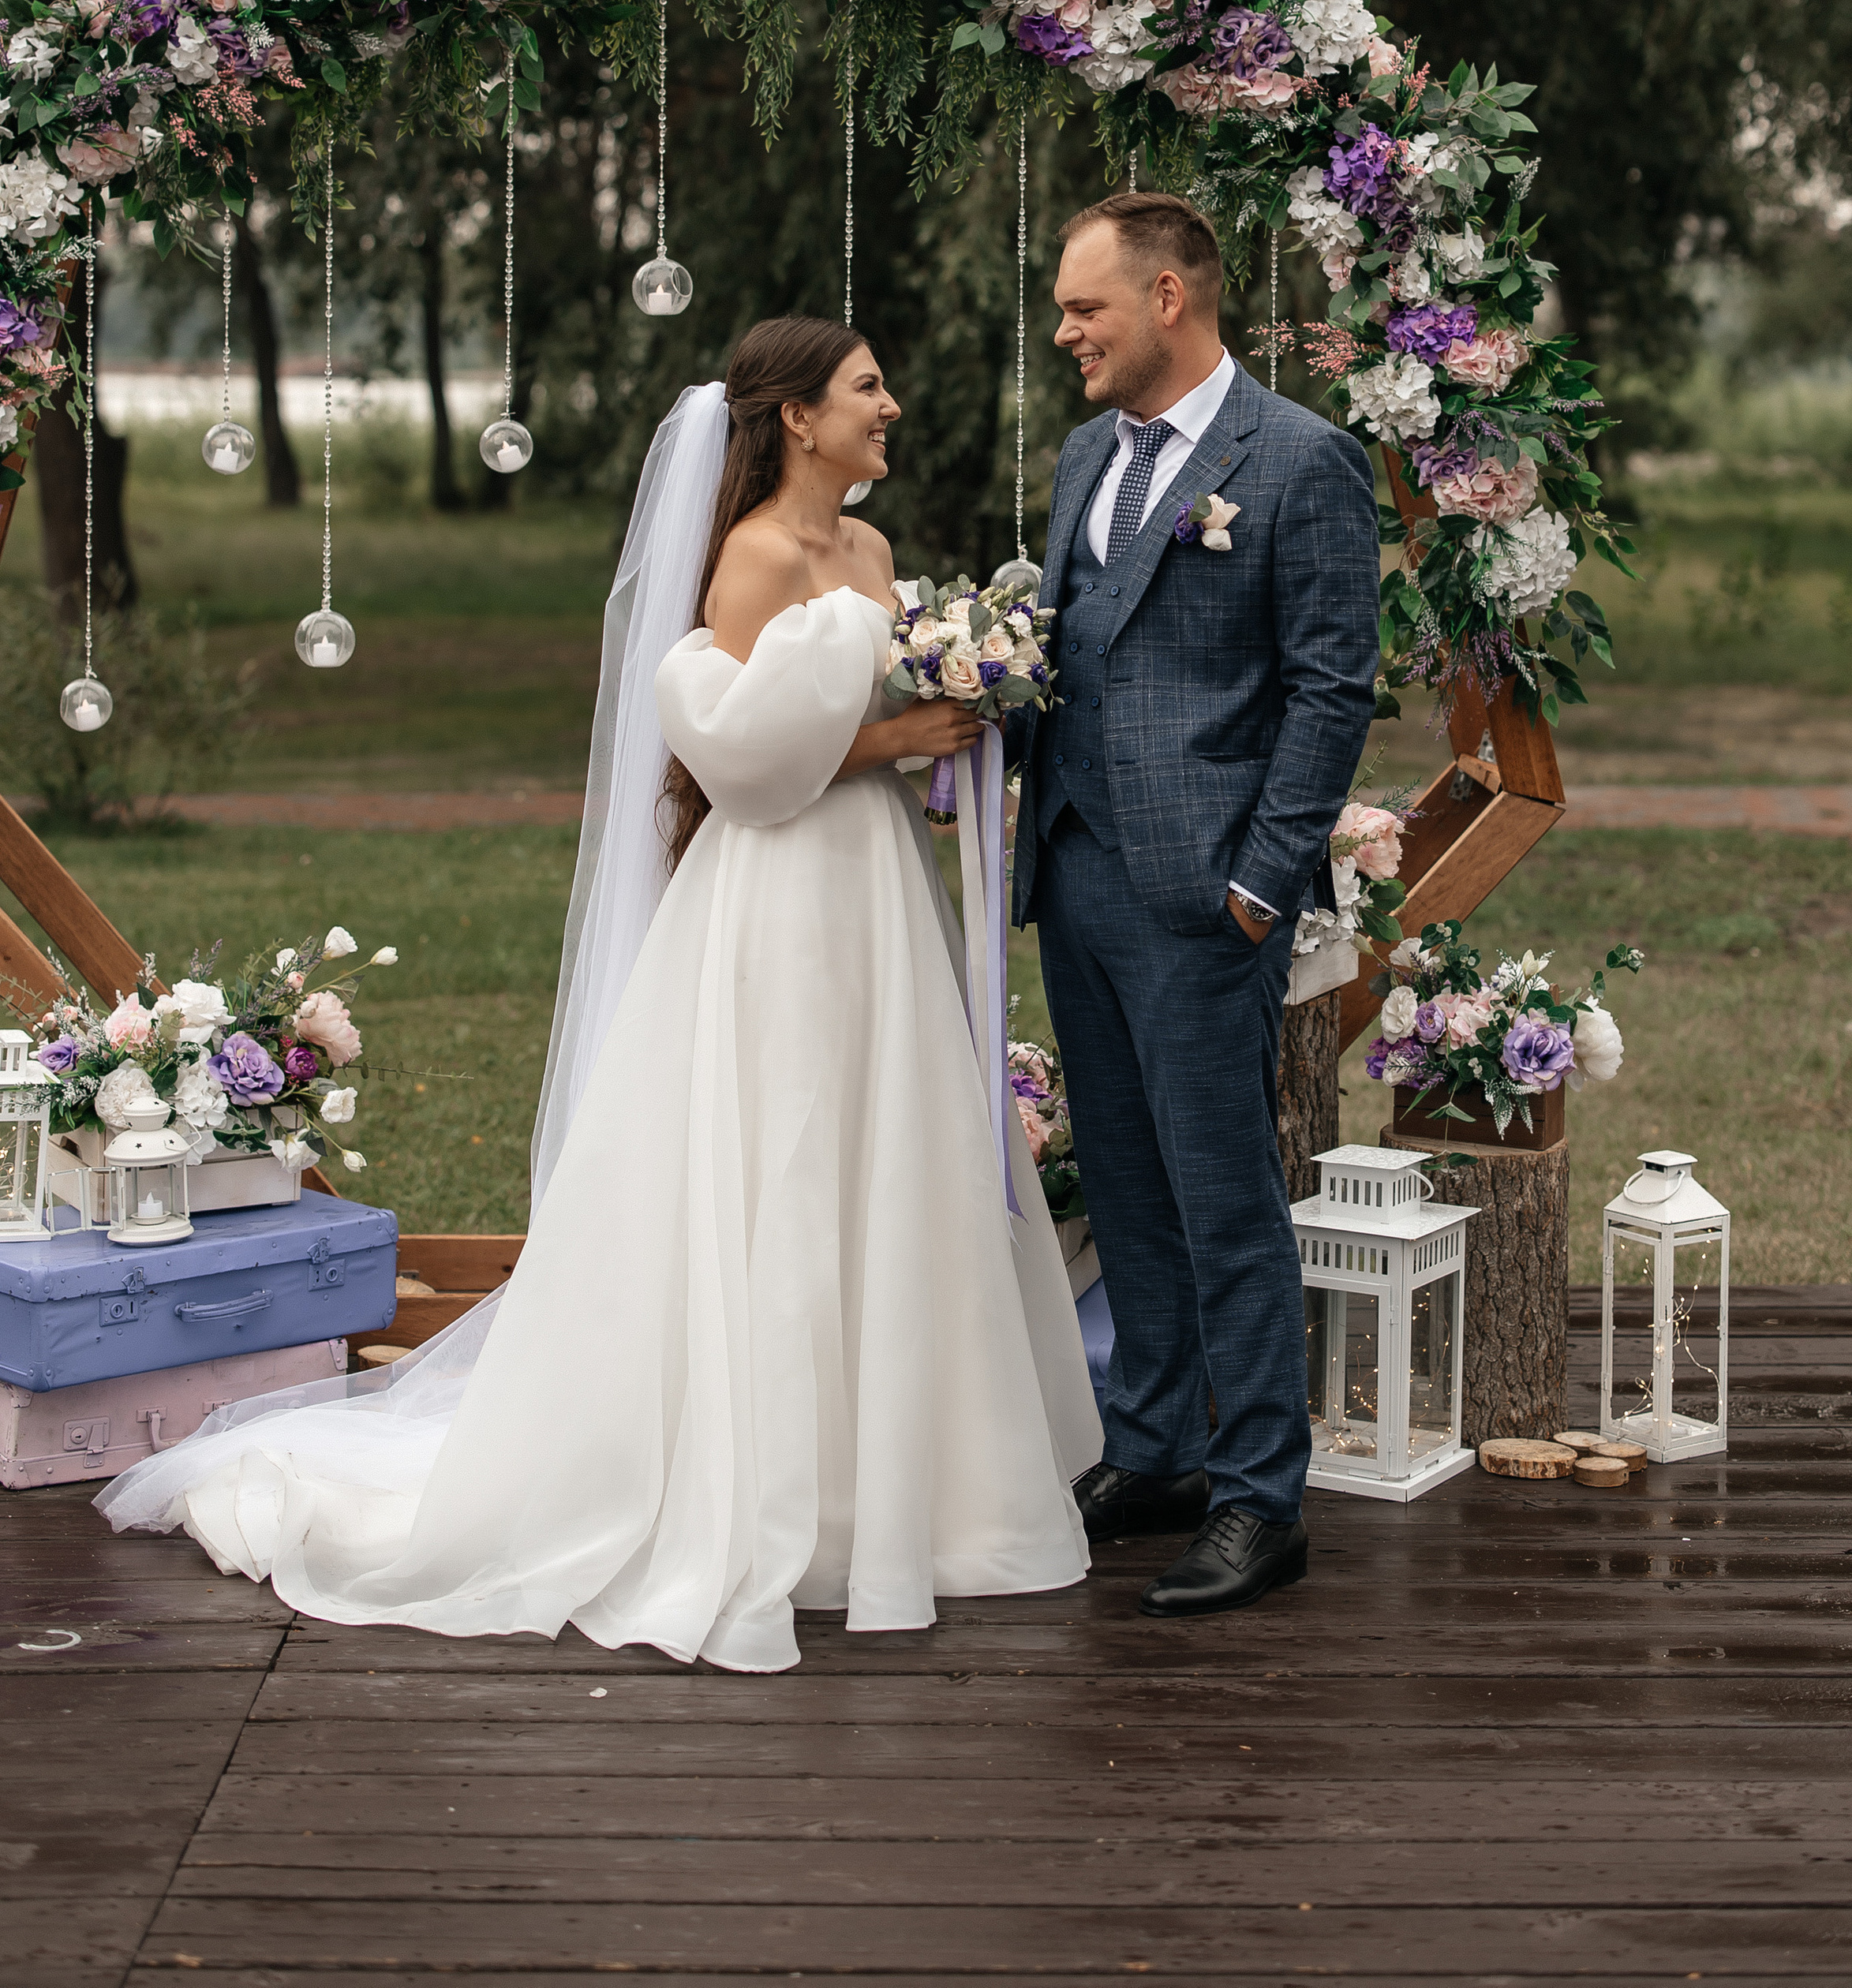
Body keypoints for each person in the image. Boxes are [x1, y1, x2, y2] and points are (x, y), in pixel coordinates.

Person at [98, 317, 1098, 1672]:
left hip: (871, 891)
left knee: (883, 1149)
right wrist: (895, 735)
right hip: (780, 896)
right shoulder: (748, 558)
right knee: (785, 1153)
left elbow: (843, 729)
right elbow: (749, 761)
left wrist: (947, 739)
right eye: (868, 388)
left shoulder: (870, 554)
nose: (894, 407)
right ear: (796, 417)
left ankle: (904, 1487)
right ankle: (766, 1490)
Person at [1011, 193, 1380, 1617]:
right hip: (1080, 872)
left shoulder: (1301, 463)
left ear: (1170, 297)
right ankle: (1157, 1446)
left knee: (1224, 1197)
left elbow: (1331, 688)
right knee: (1124, 1179)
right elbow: (1070, 646)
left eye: (1084, 307)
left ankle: (1259, 1498)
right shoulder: (1086, 455)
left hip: (1205, 893)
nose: (1066, 333)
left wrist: (1257, 885)